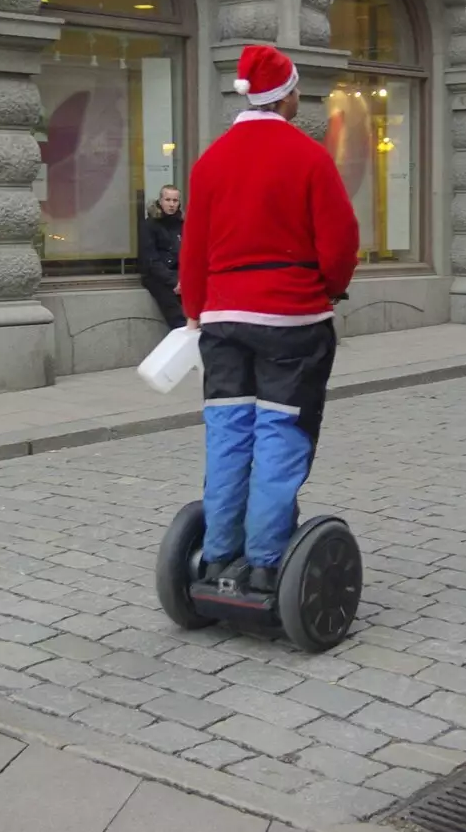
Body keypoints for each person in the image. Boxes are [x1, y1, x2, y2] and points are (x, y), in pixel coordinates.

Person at [178, 44, 360, 593]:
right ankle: (263, 559)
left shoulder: (211, 160)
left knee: (229, 432)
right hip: (290, 318)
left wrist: (194, 313)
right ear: (288, 96)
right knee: (281, 432)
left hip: (223, 320)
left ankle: (216, 556)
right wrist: (329, 287)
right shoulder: (308, 157)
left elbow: (194, 250)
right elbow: (340, 242)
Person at [138, 185, 186, 330]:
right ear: (160, 201)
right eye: (168, 200)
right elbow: (150, 260)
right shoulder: (150, 225)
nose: (172, 204)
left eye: (175, 200)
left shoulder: (182, 224)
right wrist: (174, 281)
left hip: (180, 275)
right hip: (157, 276)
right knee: (177, 317)